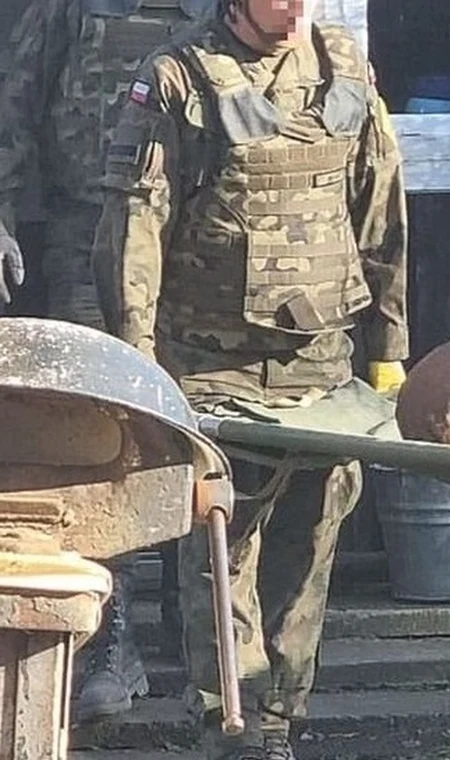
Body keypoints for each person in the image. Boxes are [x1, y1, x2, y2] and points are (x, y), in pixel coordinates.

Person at [91, 0, 410, 756]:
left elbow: (381, 210)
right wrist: (139, 363)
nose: (294, 8)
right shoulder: (177, 79)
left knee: (311, 545)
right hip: (212, 369)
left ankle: (281, 720)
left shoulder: (343, 67)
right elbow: (135, 228)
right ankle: (229, 725)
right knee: (219, 549)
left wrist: (389, 345)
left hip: (322, 368)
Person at [0, 0, 216, 722]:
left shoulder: (228, 13)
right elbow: (15, 100)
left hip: (202, 247)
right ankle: (110, 639)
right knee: (101, 436)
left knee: (195, 431)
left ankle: (201, 637)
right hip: (88, 237)